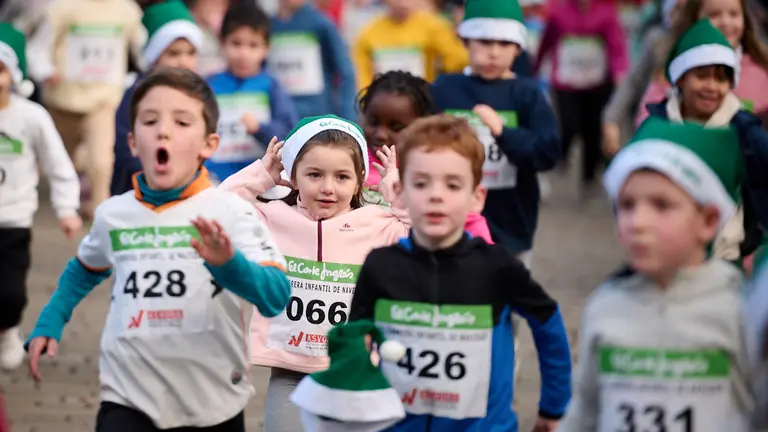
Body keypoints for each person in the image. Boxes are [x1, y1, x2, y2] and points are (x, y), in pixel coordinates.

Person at [25, 68, 291, 432]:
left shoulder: (232, 211)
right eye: (150, 121)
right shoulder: (114, 213)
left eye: (182, 122)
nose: (163, 130)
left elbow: (276, 296)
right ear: (134, 142)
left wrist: (229, 265)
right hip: (127, 394)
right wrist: (51, 319)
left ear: (209, 144)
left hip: (212, 400)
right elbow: (86, 267)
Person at [217, 114, 492, 432]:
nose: (328, 188)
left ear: (360, 179)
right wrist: (261, 175)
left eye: (342, 177)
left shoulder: (378, 222)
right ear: (292, 176)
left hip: (358, 370)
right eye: (314, 174)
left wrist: (397, 190)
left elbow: (425, 239)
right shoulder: (271, 217)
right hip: (290, 372)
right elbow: (219, 210)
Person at [347, 114, 571, 431]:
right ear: (401, 190)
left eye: (452, 185)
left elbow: (548, 321)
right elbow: (354, 340)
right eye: (421, 183)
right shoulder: (381, 266)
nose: (436, 195)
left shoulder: (497, 267)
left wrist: (554, 405)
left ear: (476, 198)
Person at [560, 117, 753, 431]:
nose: (638, 222)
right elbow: (586, 411)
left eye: (661, 205)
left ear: (707, 221)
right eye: (626, 205)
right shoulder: (604, 306)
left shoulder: (739, 311)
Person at [432, 0, 560, 267]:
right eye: (484, 42)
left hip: (511, 223)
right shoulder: (445, 88)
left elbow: (548, 152)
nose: (493, 52)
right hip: (450, 221)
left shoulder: (527, 94)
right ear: (465, 40)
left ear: (518, 47)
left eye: (503, 43)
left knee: (507, 299)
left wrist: (503, 132)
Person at [643, 18, 768, 269]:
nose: (712, 87)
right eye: (701, 76)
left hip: (726, 256)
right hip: (668, 255)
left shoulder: (743, 130)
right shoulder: (658, 127)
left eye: (721, 79)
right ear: (679, 79)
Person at [0, 22, 81, 371]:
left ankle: (7, 329)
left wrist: (66, 209)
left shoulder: (31, 117)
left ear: (12, 74)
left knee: (11, 293)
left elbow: (58, 163)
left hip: (14, 218)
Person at [25, 0, 144, 218]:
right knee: (57, 159)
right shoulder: (62, 8)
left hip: (103, 99)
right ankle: (47, 205)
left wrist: (138, 74)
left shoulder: (126, 11)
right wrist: (45, 71)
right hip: (63, 100)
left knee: (101, 161)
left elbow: (139, 45)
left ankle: (101, 212)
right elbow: (38, 49)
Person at [355, 70, 491, 243]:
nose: (381, 134)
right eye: (373, 122)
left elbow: (469, 223)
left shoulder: (438, 168)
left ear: (423, 123)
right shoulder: (350, 164)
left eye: (396, 127)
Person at [630, 0, 768, 133]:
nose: (726, 22)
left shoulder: (762, 68)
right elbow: (647, 121)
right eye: (714, 15)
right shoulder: (676, 69)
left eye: (734, 14)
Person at [111, 0, 204, 196]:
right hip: (139, 188)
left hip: (187, 187)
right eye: (173, 53)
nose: (183, 61)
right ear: (154, 55)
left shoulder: (198, 94)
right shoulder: (137, 93)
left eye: (191, 53)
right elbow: (123, 144)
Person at [534, 0, 628, 189]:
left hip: (597, 83)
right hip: (566, 82)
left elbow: (616, 45)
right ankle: (561, 157)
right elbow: (547, 41)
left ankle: (589, 175)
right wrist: (535, 67)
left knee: (592, 130)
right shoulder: (558, 12)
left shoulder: (607, 13)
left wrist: (619, 72)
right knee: (569, 124)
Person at [206, 2, 299, 184]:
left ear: (266, 48)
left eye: (253, 45)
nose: (243, 53)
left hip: (261, 182)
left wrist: (260, 129)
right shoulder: (209, 86)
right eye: (236, 43)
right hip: (216, 181)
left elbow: (289, 134)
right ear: (222, 42)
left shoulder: (272, 87)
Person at [601, 0, 685, 156]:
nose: (681, 17)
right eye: (677, 9)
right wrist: (611, 118)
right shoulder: (657, 41)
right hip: (653, 129)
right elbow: (633, 81)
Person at [268, 0, 357, 120]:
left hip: (317, 116)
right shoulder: (269, 26)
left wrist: (347, 118)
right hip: (280, 117)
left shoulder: (321, 24)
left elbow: (346, 72)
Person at [352, 0, 468, 90]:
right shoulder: (368, 33)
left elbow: (456, 61)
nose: (402, 3)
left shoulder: (434, 26)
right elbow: (361, 76)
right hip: (384, 104)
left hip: (423, 100)